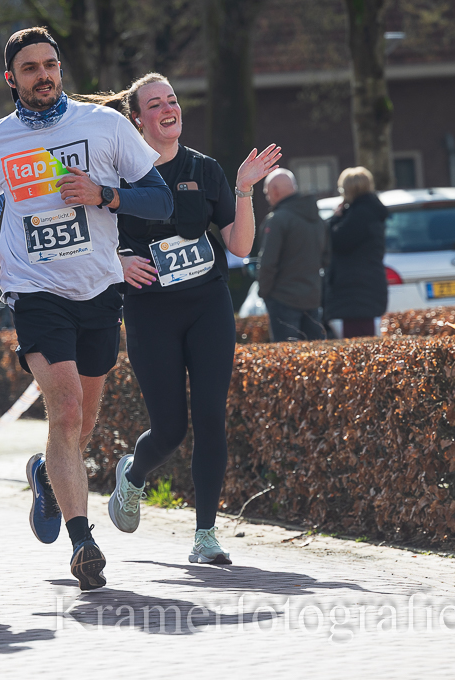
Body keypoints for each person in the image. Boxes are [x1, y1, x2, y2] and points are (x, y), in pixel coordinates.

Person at [0, 28, 173, 590]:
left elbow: (160, 200)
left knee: (80, 423)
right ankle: (83, 542)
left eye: (50, 65)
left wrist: (104, 195)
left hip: (99, 287)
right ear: (11, 79)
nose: (43, 75)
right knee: (66, 408)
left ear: (61, 69)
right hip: (34, 289)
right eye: (30, 68)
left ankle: (44, 473)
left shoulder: (104, 125)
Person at [81, 74, 280, 564]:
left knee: (211, 417)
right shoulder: (116, 176)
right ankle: (132, 477)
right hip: (150, 311)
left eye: (172, 100)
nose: (168, 108)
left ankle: (205, 535)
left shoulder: (203, 169)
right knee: (169, 429)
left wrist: (244, 189)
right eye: (155, 104)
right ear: (136, 120)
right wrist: (118, 262)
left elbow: (239, 246)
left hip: (207, 304)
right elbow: (89, 239)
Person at [257, 169, 329, 342]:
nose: (267, 197)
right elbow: (326, 258)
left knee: (286, 355)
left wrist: (264, 293)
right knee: (315, 355)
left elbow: (267, 263)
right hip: (312, 298)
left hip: (282, 299)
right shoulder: (317, 219)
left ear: (275, 190)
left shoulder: (277, 219)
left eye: (267, 193)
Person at [324, 166, 388, 339]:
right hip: (367, 289)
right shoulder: (371, 212)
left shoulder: (359, 215)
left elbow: (336, 241)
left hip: (354, 296)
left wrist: (335, 219)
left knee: (357, 346)